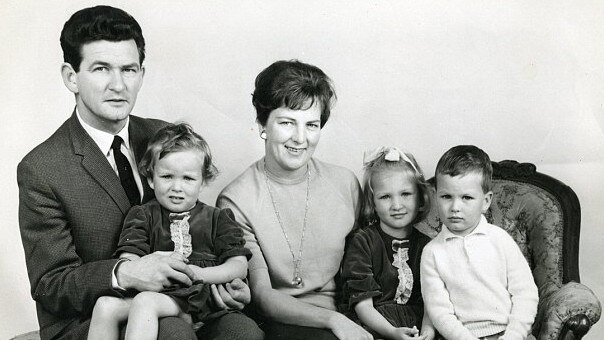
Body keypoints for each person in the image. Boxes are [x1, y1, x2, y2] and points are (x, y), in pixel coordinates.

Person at [17, 6, 249, 340]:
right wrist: (125, 273)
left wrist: (229, 285)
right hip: (94, 316)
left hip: (181, 295)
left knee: (242, 330)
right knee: (171, 333)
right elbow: (50, 285)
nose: (118, 84)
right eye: (101, 69)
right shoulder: (43, 168)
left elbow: (196, 222)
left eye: (128, 69)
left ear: (141, 73)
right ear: (71, 77)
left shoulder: (164, 137)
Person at [217, 60, 372, 340]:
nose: (300, 138)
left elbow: (365, 266)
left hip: (353, 313)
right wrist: (334, 321)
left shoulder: (345, 183)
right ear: (262, 124)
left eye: (311, 125)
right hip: (286, 323)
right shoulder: (236, 200)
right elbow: (263, 296)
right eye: (287, 122)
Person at [87, 123, 263, 340]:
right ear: (151, 178)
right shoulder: (142, 215)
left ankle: (187, 317)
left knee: (145, 302)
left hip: (204, 298)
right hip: (162, 295)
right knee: (105, 305)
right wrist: (140, 267)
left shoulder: (218, 218)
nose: (177, 187)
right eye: (167, 177)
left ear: (203, 181)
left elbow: (238, 266)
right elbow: (130, 259)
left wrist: (199, 275)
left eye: (188, 178)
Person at [420, 145, 539, 340]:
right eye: (446, 197)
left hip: (511, 334)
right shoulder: (432, 252)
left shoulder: (500, 239)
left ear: (485, 201)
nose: (455, 207)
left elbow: (526, 294)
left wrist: (514, 335)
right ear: (435, 197)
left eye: (466, 197)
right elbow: (439, 312)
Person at [341, 146, 436, 340]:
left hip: (417, 325)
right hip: (374, 325)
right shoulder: (363, 242)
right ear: (372, 203)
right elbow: (362, 305)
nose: (397, 205)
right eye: (385, 197)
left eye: (406, 194)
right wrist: (392, 333)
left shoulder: (429, 247)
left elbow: (432, 303)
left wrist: (428, 331)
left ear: (420, 197)